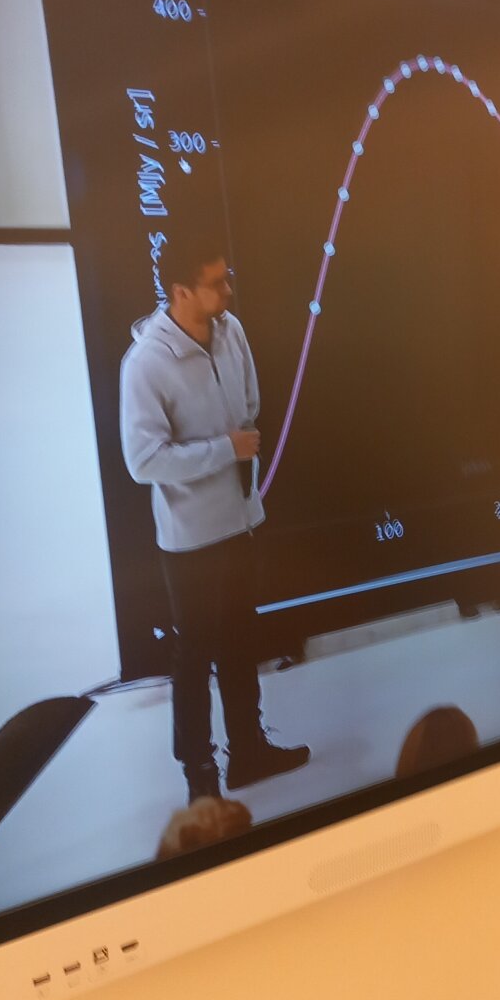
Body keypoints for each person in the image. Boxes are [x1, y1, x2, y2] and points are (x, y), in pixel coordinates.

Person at [120, 227, 310, 801]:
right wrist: (225, 450)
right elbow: (144, 461)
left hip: (240, 520)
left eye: (227, 279)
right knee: (194, 655)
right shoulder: (146, 364)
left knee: (239, 642)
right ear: (181, 291)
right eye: (215, 283)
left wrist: (238, 452)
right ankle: (200, 776)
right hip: (191, 539)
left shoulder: (232, 331)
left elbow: (249, 404)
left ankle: (248, 751)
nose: (227, 291)